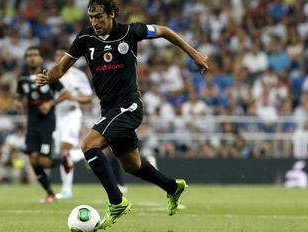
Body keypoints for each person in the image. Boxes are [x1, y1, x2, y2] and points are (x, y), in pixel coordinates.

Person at [35, 0, 209, 229]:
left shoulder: (130, 31)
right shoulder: (85, 39)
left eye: (99, 17)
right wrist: (48, 76)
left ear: (112, 14)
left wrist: (194, 53)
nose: (94, 22)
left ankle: (116, 202)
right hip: (109, 110)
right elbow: (61, 68)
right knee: (132, 165)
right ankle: (172, 187)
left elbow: (164, 31)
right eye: (91, 17)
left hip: (129, 106)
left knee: (88, 145)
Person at [16, 47, 72, 203]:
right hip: (32, 124)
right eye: (29, 55)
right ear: (26, 59)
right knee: (33, 159)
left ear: (40, 58)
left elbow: (66, 94)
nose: (32, 58)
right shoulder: (22, 79)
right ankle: (50, 193)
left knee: (43, 161)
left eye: (35, 55)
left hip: (47, 123)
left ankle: (63, 159)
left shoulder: (49, 75)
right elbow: (20, 97)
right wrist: (18, 104)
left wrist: (50, 103)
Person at [51, 48, 94, 200]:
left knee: (64, 149)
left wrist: (73, 98)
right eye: (58, 56)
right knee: (58, 154)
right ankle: (81, 154)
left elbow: (88, 98)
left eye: (63, 57)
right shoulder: (51, 74)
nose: (61, 59)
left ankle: (66, 189)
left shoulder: (78, 76)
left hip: (72, 115)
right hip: (55, 116)